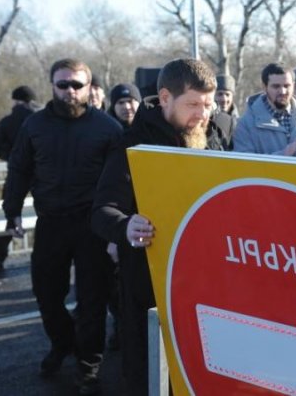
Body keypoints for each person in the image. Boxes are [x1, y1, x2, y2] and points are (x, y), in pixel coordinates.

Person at [92, 58, 223, 394]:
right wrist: (126, 226)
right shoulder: (133, 146)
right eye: (193, 104)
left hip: (205, 283)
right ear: (165, 98)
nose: (203, 114)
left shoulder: (213, 136)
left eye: (208, 105)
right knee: (150, 375)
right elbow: (102, 212)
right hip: (149, 285)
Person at [1, 58, 122, 395]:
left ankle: (88, 366)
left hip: (93, 225)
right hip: (51, 222)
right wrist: (12, 211)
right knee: (47, 295)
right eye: (63, 84)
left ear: (88, 87)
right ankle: (63, 343)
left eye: (77, 85)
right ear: (52, 85)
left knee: (92, 300)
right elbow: (19, 169)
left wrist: (116, 232)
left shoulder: (108, 128)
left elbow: (120, 182)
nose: (70, 91)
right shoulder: (34, 125)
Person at [0, 85, 39, 271]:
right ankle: (45, 254)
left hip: (16, 172)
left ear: (15, 100)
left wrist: (10, 156)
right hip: (41, 172)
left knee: (10, 213)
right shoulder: (39, 119)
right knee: (48, 215)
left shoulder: (6, 122)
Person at [234, 63, 296, 158]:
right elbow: (245, 163)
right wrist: (283, 155)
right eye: (276, 86)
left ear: (293, 85)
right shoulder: (246, 123)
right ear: (264, 87)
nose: (282, 91)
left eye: (287, 86)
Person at [212, 74, 238, 150]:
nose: (224, 99)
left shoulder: (240, 122)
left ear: (232, 96)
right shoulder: (209, 120)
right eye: (220, 94)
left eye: (227, 94)